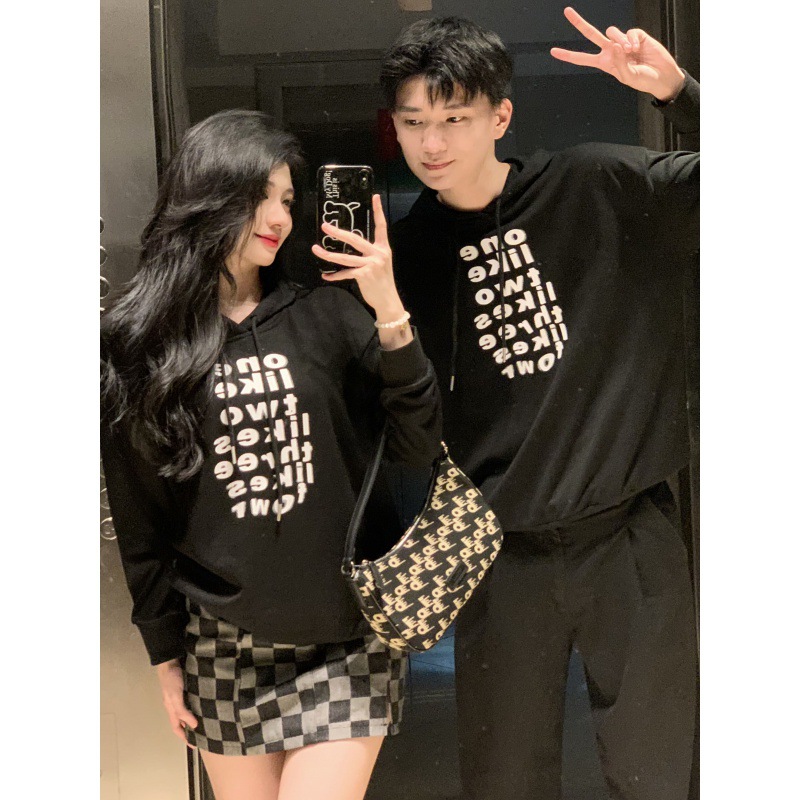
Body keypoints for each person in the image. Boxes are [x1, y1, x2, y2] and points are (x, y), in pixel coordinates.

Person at [320, 8, 699, 800]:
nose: (432, 143)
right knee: (503, 781)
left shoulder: (597, 183)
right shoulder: (406, 257)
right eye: (413, 121)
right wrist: (384, 308)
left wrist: (678, 94)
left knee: (656, 774)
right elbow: (411, 432)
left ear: (500, 116)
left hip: (629, 534)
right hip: (500, 554)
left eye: (454, 119)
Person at [100, 109, 442, 800]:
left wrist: (388, 309)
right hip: (223, 643)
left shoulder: (330, 316)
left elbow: (418, 443)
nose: (280, 217)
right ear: (211, 192)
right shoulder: (141, 345)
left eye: (287, 199)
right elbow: (141, 516)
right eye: (261, 196)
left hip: (347, 642)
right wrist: (165, 655)